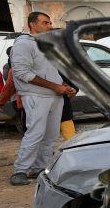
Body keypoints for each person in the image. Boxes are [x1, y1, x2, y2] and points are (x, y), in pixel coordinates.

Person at [9, 11, 76, 186]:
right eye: (45, 23)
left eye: (49, 23)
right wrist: (56, 87)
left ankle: (39, 167)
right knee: (35, 133)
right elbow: (22, 73)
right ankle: (21, 170)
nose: (50, 26)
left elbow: (53, 72)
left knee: (51, 135)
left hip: (55, 96)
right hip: (36, 96)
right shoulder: (23, 44)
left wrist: (65, 87)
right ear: (32, 24)